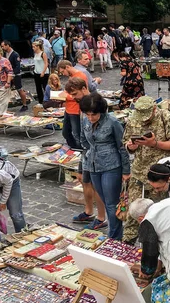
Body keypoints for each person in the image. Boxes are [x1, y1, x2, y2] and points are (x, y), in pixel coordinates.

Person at [122, 96, 170, 243]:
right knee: (133, 212)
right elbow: (126, 142)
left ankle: (155, 249)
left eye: (146, 116)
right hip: (138, 173)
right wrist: (131, 147)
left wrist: (154, 143)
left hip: (159, 175)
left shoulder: (166, 117)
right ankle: (126, 246)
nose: (143, 120)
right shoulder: (132, 119)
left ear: (154, 109)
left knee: (157, 214)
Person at [80, 93, 131, 240]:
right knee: (103, 198)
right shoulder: (85, 121)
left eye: (93, 114)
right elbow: (83, 140)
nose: (90, 118)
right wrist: (88, 154)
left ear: (101, 111)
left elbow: (122, 146)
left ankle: (114, 236)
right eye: (88, 114)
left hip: (111, 165)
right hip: (93, 165)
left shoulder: (112, 122)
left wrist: (126, 170)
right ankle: (116, 232)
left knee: (111, 203)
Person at [62, 76, 108, 228]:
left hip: (96, 153)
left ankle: (101, 218)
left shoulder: (95, 103)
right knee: (85, 181)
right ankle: (89, 212)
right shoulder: (82, 106)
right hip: (86, 151)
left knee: (96, 186)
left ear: (83, 89)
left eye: (75, 94)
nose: (73, 98)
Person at [1, 40, 28, 112]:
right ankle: (3, 105)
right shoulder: (5, 54)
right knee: (5, 90)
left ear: (7, 45)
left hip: (15, 75)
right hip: (8, 75)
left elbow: (17, 66)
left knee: (19, 89)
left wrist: (13, 74)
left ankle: (25, 105)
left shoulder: (15, 54)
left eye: (3, 46)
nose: (2, 48)